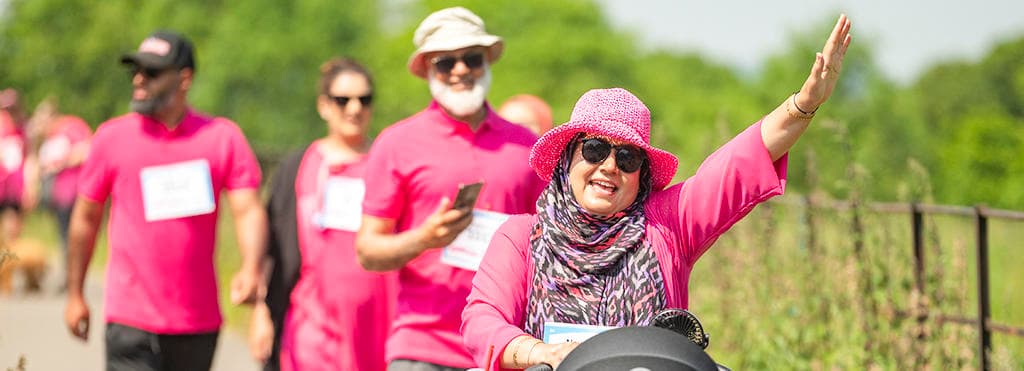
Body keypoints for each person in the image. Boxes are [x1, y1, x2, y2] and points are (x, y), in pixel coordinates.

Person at [461, 15, 852, 370]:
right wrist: (541, 353)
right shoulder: (521, 237)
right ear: (567, 158)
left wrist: (804, 103)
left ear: (641, 174)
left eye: (628, 157)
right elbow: (482, 321)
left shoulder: (665, 226)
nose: (610, 166)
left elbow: (738, 165)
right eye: (595, 150)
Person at [63, 30, 268, 371]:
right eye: (136, 72)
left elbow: (247, 211)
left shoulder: (221, 138)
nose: (139, 80)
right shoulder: (112, 138)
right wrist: (75, 294)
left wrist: (251, 267)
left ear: (184, 78)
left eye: (152, 72)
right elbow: (85, 218)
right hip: (129, 319)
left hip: (197, 321)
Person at [355, 6, 546, 371]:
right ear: (427, 69)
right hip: (422, 347)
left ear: (487, 60)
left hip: (506, 346)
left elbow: (550, 238)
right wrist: (424, 238)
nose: (460, 70)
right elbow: (367, 251)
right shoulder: (396, 143)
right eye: (446, 62)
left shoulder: (526, 145)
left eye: (471, 58)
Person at [249, 57, 396, 371]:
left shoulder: (387, 165)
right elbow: (272, 249)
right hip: (310, 327)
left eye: (364, 99)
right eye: (343, 100)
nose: (354, 109)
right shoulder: (298, 166)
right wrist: (262, 312)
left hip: (374, 330)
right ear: (324, 106)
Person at [27, 97, 92, 291]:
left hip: (76, 191)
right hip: (59, 195)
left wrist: (63, 162)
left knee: (75, 236)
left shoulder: (71, 127)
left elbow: (87, 149)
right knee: (64, 237)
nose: (39, 124)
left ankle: (74, 278)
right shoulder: (47, 137)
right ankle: (69, 277)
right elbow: (37, 163)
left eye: (41, 120)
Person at [0, 88, 33, 245]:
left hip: (15, 186)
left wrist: (30, 187)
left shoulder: (23, 131)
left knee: (12, 228)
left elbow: (29, 160)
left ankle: (7, 263)